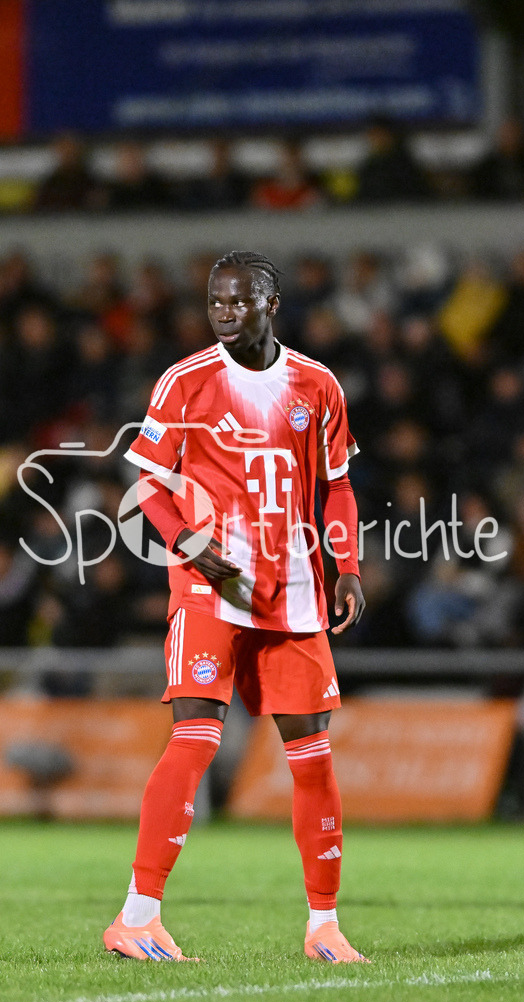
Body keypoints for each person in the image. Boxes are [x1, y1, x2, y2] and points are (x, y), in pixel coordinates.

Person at [103, 251, 368, 964]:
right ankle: (137, 916)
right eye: (215, 301)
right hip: (210, 588)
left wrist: (346, 566)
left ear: (270, 304)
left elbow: (338, 486)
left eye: (238, 301)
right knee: (194, 736)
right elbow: (148, 486)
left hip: (294, 589)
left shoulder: (317, 384)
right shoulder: (185, 381)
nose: (223, 312)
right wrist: (188, 543)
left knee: (312, 757)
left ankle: (324, 927)